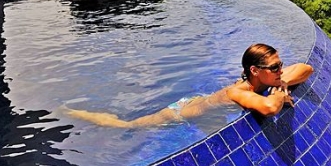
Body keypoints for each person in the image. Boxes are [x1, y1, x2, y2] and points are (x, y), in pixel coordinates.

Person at [62, 43, 313, 128]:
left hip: (203, 103)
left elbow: (306, 68)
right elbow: (270, 108)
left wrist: (282, 81)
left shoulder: (266, 78)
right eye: (275, 68)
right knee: (126, 126)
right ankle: (73, 113)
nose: (281, 69)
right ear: (255, 71)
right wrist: (280, 91)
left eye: (280, 65)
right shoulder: (238, 92)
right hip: (181, 113)